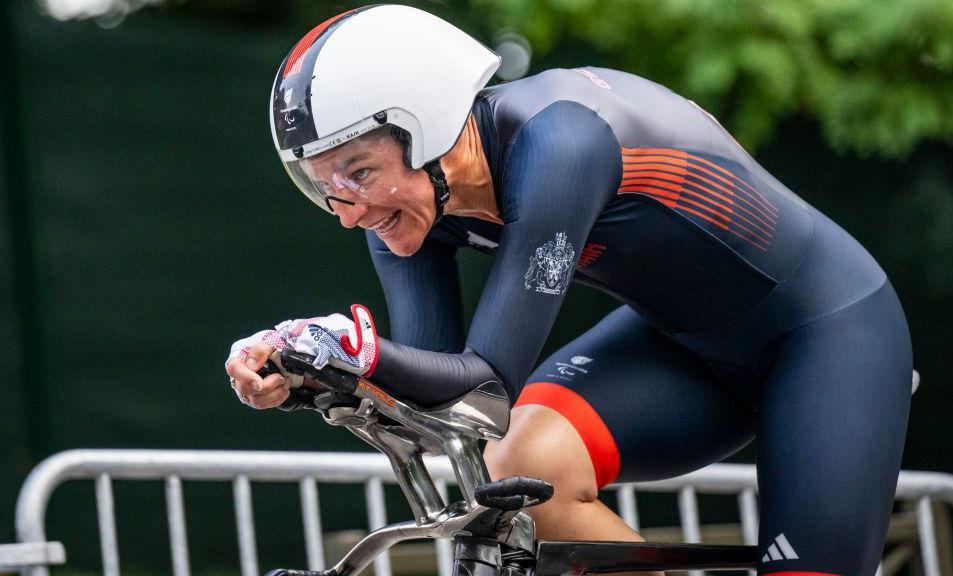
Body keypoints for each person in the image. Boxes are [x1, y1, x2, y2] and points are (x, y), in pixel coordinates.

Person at [225, 5, 913, 575]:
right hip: (682, 345)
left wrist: (357, 352)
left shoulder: (560, 141)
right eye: (324, 185)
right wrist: (304, 368)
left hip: (827, 335)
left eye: (359, 172)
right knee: (524, 469)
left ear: (428, 125)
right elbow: (438, 404)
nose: (347, 209)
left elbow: (483, 381)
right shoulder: (405, 207)